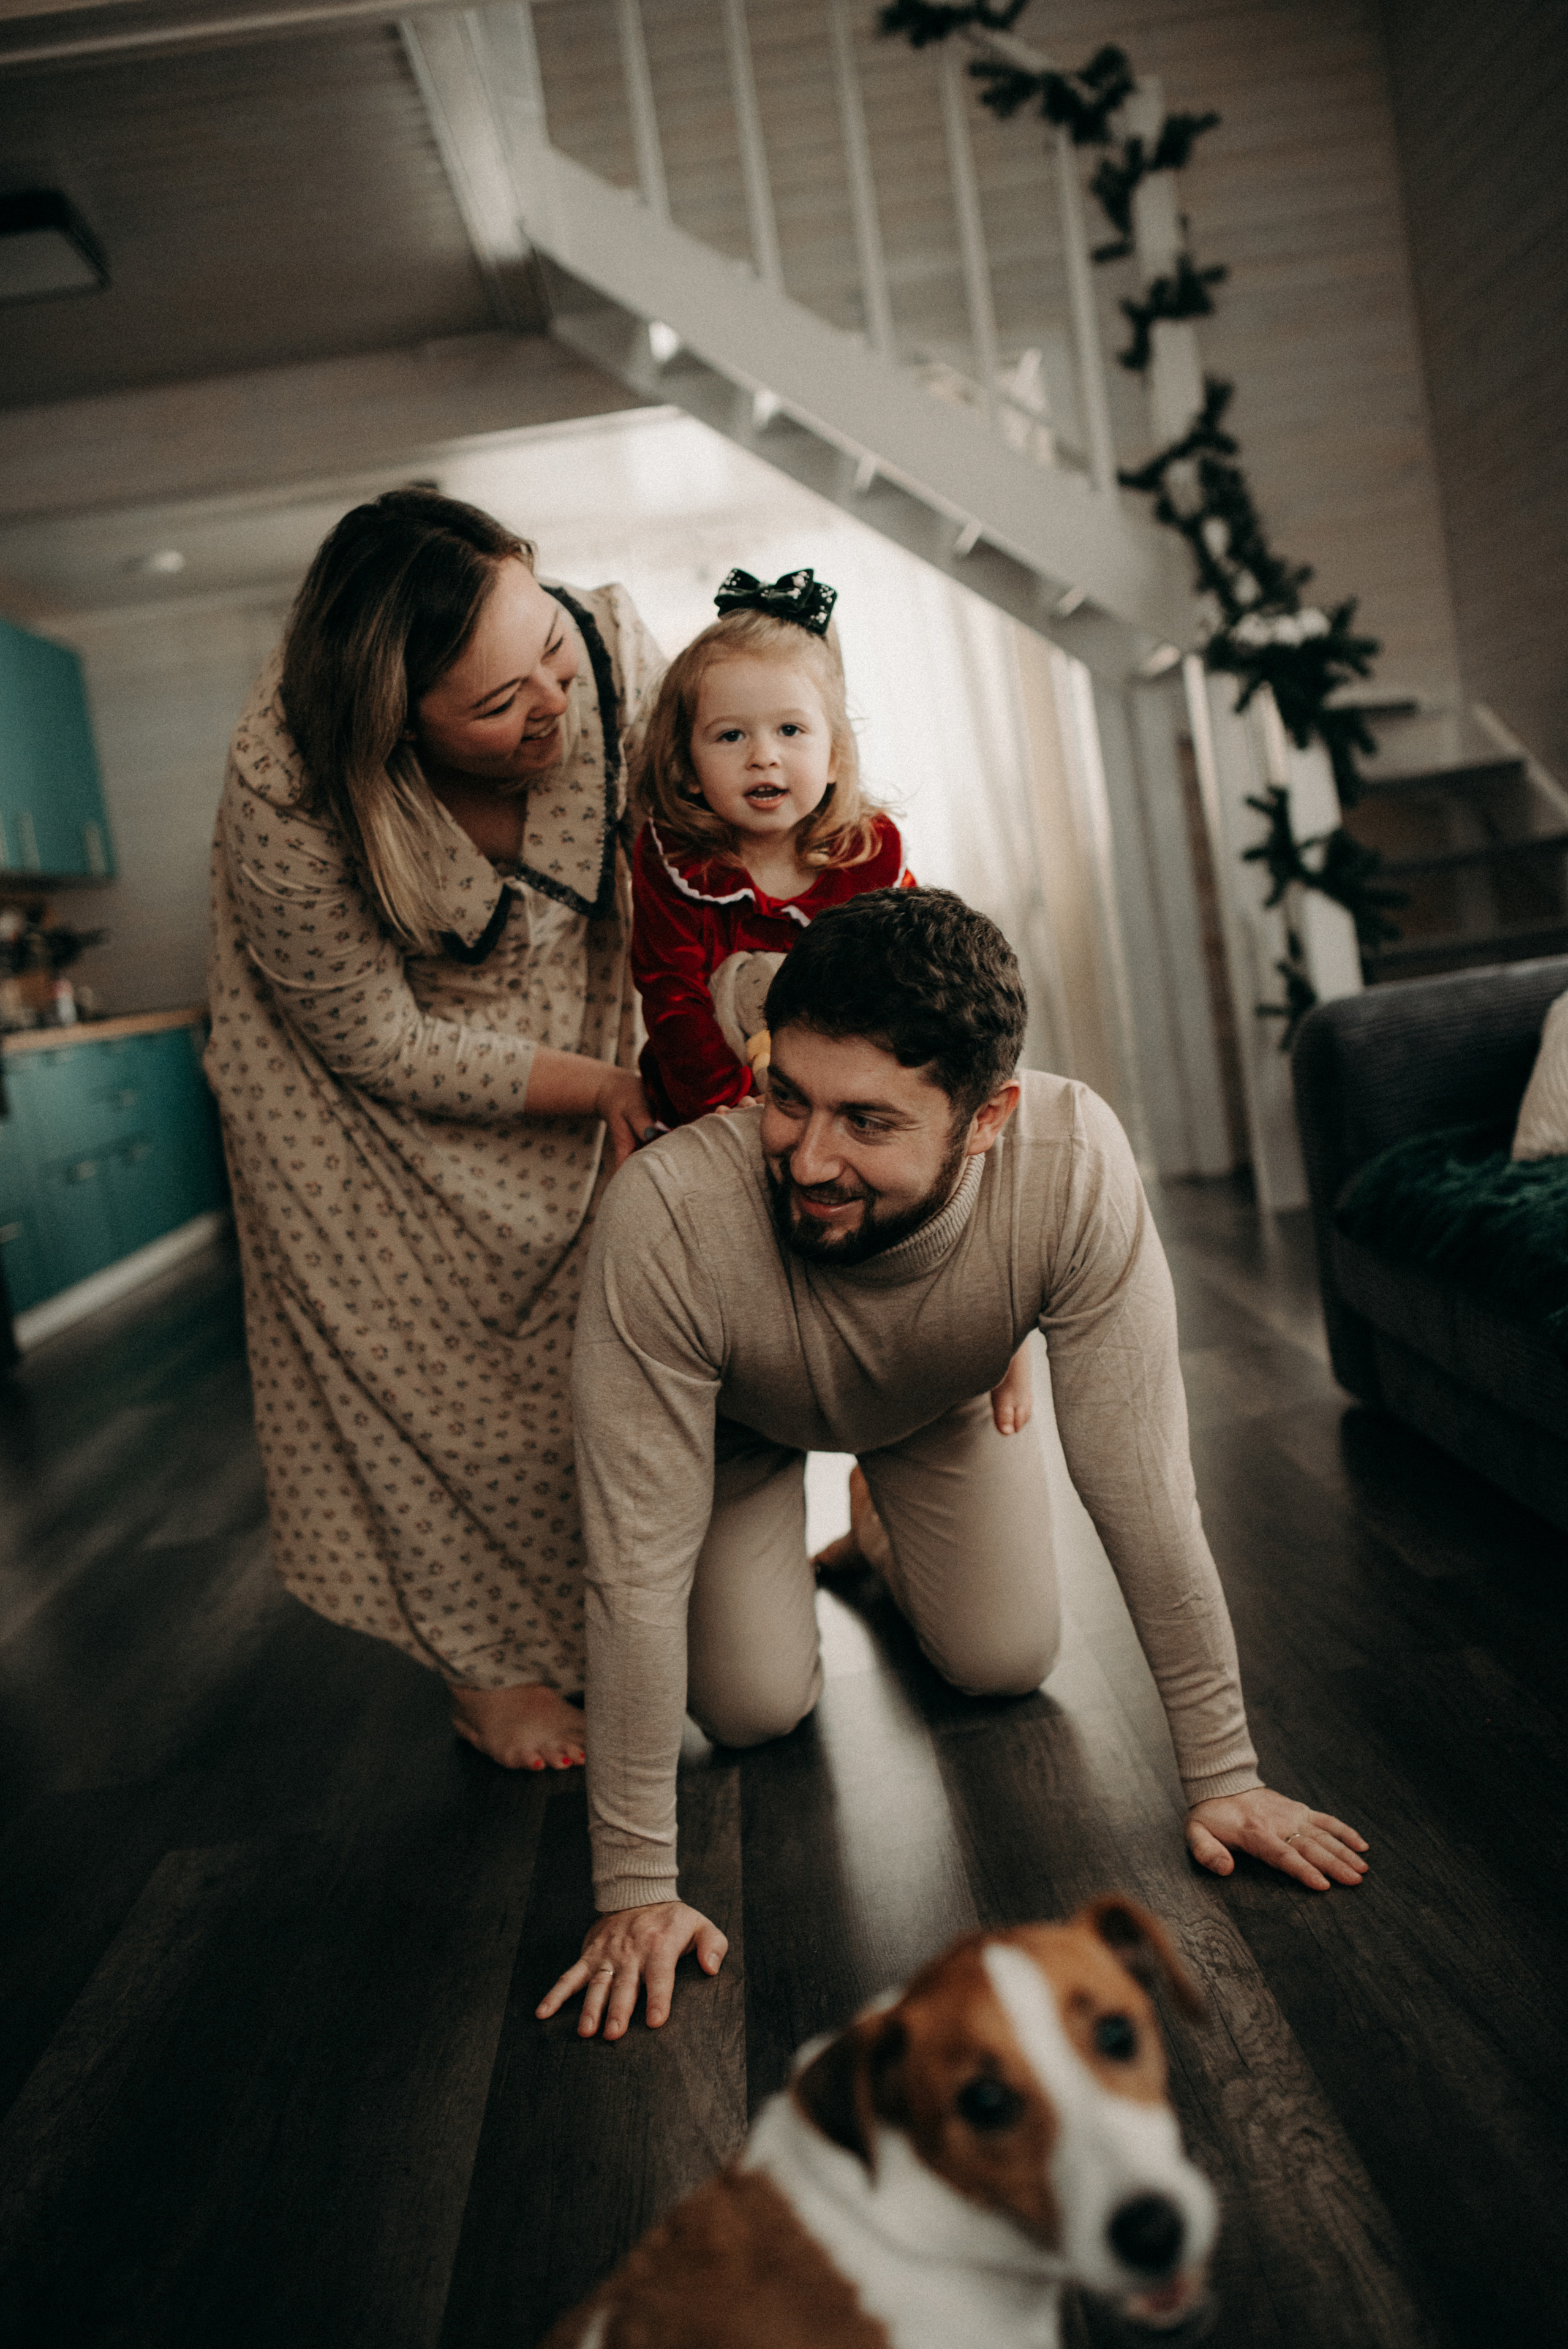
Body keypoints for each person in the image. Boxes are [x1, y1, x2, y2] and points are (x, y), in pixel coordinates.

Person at [540, 887, 1370, 2041]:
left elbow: (1144, 1490)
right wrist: (635, 1890)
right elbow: (632, 1569)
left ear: (988, 1118)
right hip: (734, 1423)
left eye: (869, 1123)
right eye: (789, 1097)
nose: (810, 1157)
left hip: (935, 1400)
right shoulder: (668, 1216)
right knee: (751, 1709)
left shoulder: (1072, 1162)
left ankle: (878, 1516)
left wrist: (1224, 1772)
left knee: (1005, 1659)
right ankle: (808, 1515)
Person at [205, 488, 663, 1774]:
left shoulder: (613, 652)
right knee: (429, 1382)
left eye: (551, 662)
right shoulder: (287, 781)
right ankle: (488, 1672)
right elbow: (370, 1036)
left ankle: (637, 1608)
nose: (553, 711)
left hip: (582, 1008)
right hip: (357, 1102)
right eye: (497, 704)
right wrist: (605, 1089)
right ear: (389, 727)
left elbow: (707, 839)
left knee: (613, 1348)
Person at [630, 564, 1031, 1440]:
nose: (763, 755)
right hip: (721, 1103)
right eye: (730, 735)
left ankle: (994, 1335)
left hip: (847, 1104)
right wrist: (733, 1113)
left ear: (834, 753)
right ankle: (717, 1400)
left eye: (789, 730)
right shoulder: (676, 864)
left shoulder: (869, 856)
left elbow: (918, 996)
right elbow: (670, 997)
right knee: (695, 1244)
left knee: (941, 1180)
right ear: (689, 765)